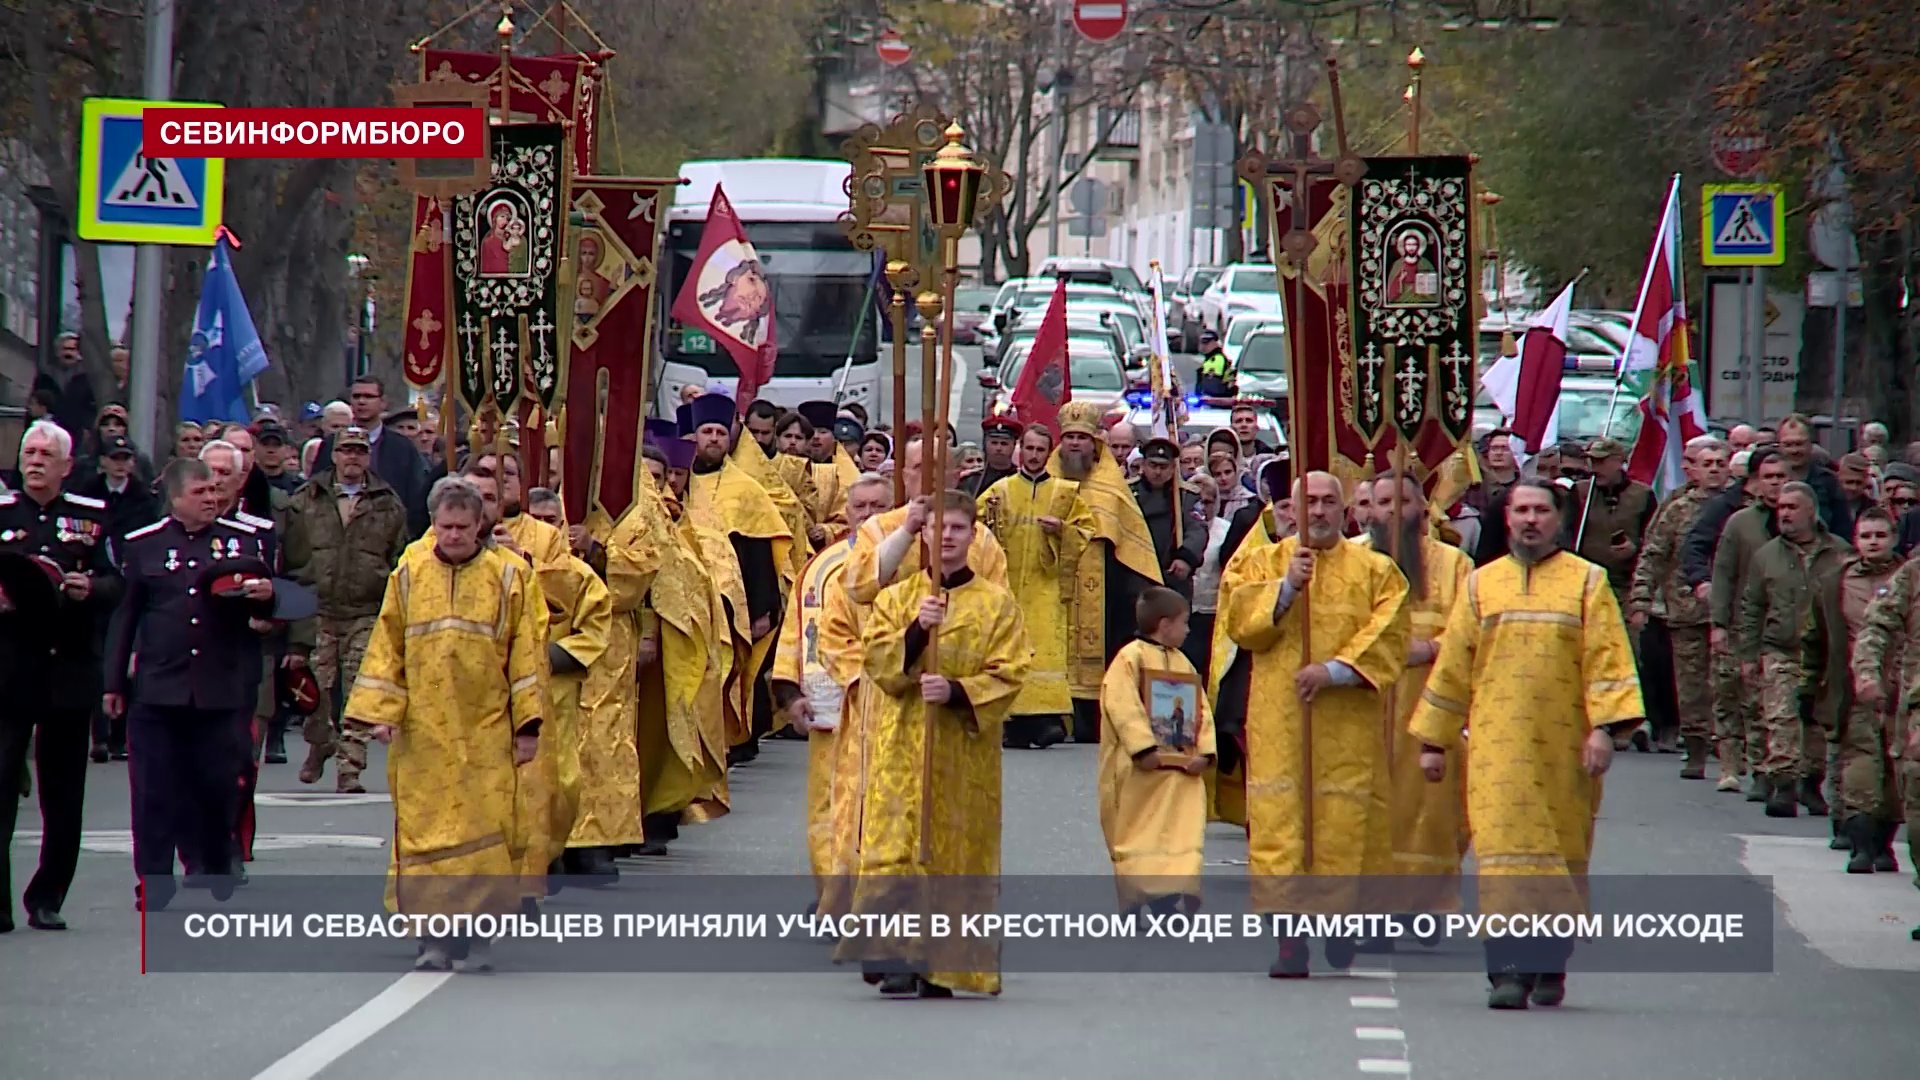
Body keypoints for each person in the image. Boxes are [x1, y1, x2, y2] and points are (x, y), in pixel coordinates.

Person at [1409, 478, 1643, 1009]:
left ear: (1558, 520)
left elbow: (1608, 658)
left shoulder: (1587, 582)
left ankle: (1551, 961)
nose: (1531, 519)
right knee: (1502, 860)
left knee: (1559, 855)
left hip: (1566, 750)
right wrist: (1434, 742)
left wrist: (1604, 730)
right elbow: (1454, 667)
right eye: (1521, 510)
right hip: (1496, 748)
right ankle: (1508, 971)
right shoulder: (1481, 585)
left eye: (1541, 510)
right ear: (1508, 519)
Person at [833, 489, 1031, 998]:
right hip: (902, 743)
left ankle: (942, 962)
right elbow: (878, 664)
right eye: (938, 527)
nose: (947, 537)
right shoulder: (899, 597)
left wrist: (959, 691)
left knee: (952, 852)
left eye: (958, 528)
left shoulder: (997, 604)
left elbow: (1011, 671)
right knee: (897, 848)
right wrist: (918, 632)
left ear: (973, 535)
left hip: (963, 755)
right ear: (923, 533)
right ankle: (897, 954)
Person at [343, 476, 546, 972]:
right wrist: (382, 713)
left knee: (486, 831)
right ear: (433, 524)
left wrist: (527, 727)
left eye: (462, 527)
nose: (453, 535)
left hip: (486, 727)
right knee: (424, 831)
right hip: (423, 730)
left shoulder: (510, 577)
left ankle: (477, 937)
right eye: (444, 526)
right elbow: (387, 645)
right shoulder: (408, 575)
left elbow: (527, 655)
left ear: (480, 526)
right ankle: (431, 937)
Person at [1220, 470, 1410, 976]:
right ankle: (1290, 941)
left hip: (1347, 721)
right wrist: (1285, 590)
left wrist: (1336, 670)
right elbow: (1238, 623)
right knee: (1282, 823)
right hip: (1280, 718)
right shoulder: (1262, 561)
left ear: (1344, 509)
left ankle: (1341, 922)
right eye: (1310, 502)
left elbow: (1390, 630)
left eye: (1329, 501)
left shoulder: (1376, 569)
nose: (1319, 511)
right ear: (1292, 509)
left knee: (1342, 822)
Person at [106, 458, 271, 912]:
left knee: (218, 786)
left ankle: (216, 861)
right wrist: (113, 682)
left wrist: (267, 599)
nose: (211, 499)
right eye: (200, 493)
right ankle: (154, 880)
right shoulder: (144, 545)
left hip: (218, 688)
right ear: (175, 497)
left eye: (214, 491)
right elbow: (126, 617)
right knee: (153, 792)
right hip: (160, 688)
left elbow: (273, 605)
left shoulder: (242, 542)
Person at [0, 422, 121, 931]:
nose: (35, 461)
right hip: (9, 667)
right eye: (29, 452)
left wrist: (90, 588)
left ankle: (48, 896)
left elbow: (118, 582)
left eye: (46, 454)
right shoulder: (4, 511)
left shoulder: (92, 517)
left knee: (63, 792)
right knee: (1, 780)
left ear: (66, 466)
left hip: (68, 667)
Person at [771, 472, 891, 902]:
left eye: (879, 506)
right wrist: (791, 694)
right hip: (833, 704)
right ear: (847, 511)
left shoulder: (911, 560)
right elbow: (796, 633)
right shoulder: (821, 567)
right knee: (829, 801)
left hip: (891, 702)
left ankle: (876, 892)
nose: (868, 515)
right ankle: (833, 894)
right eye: (861, 507)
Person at [1365, 470, 1473, 921]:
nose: (1393, 512)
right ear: (1369, 510)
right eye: (1383, 502)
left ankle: (1424, 906)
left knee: (1433, 811)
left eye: (1403, 502)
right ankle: (1370, 906)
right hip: (1364, 707)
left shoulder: (1454, 564)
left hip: (1428, 705)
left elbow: (1470, 632)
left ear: (1422, 509)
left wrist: (1427, 649)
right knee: (1368, 810)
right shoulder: (1351, 559)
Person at [287, 427, 409, 791]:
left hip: (366, 612)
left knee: (360, 692)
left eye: (359, 451)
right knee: (315, 692)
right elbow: (291, 556)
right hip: (318, 610)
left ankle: (350, 769)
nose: (352, 458)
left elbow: (399, 556)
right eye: (346, 451)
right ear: (334, 455)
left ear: (368, 457)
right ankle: (320, 743)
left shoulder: (388, 503)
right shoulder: (306, 499)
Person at [630, 441, 731, 855]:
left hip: (669, 653)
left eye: (659, 478)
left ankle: (659, 813)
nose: (654, 488)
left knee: (663, 733)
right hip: (619, 642)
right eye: (644, 479)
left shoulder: (684, 528)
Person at [682, 393, 795, 761]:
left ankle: (738, 739)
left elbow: (761, 552)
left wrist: (763, 610)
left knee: (735, 670)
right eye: (707, 432)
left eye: (720, 432)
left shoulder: (747, 488)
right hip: (690, 599)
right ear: (695, 437)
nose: (714, 438)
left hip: (737, 600)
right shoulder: (679, 483)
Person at [1099, 586, 1215, 917]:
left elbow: (1201, 710)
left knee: (1180, 832)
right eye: (1184, 622)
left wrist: (1204, 752)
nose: (1188, 630)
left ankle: (1172, 893)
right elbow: (1122, 706)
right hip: (1142, 771)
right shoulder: (1129, 659)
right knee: (1140, 832)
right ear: (1165, 625)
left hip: (1180, 769)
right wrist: (1144, 749)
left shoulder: (1183, 663)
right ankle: (1146, 898)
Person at [1739, 482, 1852, 818]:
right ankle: (1783, 784)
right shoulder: (1767, 556)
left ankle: (1811, 782)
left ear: (1811, 511)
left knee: (1817, 719)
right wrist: (1748, 656)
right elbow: (1752, 606)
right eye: (1781, 508)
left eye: (1792, 507)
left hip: (1823, 654)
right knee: (1781, 718)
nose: (1784, 514)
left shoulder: (1839, 552)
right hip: (1780, 649)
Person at [1053, 402, 1164, 744]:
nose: (1075, 444)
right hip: (1054, 584)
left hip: (1104, 588)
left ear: (1094, 443)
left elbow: (1130, 536)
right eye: (1069, 437)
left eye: (1082, 438)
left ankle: (1093, 717)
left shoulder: (1110, 484)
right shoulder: (1048, 479)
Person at [1803, 508, 1904, 869]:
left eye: (1880, 535)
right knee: (1860, 762)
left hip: (1902, 690)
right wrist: (1809, 685)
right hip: (1856, 688)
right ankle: (1860, 841)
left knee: (1897, 768)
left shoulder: (1909, 578)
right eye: (1865, 536)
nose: (1873, 542)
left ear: (1894, 538)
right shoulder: (1835, 582)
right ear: (1855, 540)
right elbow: (1815, 639)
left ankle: (1884, 843)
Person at [1629, 435, 1732, 781]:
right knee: (1690, 686)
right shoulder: (1678, 509)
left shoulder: (1741, 508)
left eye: (1720, 464)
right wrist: (1641, 599)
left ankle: (1731, 748)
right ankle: (1696, 746)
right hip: (1686, 610)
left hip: (1731, 613)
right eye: (1707, 464)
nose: (1714, 470)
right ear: (1694, 470)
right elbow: (1654, 554)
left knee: (1729, 683)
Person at [979, 424, 1083, 749]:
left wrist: (1062, 529)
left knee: (1044, 654)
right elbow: (976, 528)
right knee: (1009, 650)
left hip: (1046, 589)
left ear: (1048, 453)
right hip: (1008, 586)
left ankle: (1044, 719)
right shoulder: (1000, 490)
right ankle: (1015, 724)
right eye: (1029, 448)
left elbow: (1085, 531)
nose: (1034, 455)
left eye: (1040, 450)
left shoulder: (1065, 492)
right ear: (1020, 450)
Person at [1701, 451, 1790, 798]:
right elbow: (1723, 574)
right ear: (1756, 482)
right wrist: (1719, 623)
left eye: (1781, 476)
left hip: (1779, 626)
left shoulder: (1802, 522)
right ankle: (1729, 764)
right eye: (1769, 476)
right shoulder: (1740, 523)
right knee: (1728, 695)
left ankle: (1764, 769)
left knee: (1763, 703)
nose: (1775, 483)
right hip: (1740, 623)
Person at [327, 377, 430, 537]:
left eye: (368, 396)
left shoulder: (403, 448)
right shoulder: (331, 444)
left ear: (383, 402)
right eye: (356, 396)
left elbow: (416, 498)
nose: (361, 401)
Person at [1132, 438, 1204, 602]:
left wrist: (1186, 558)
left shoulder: (1186, 496)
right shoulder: (1128, 492)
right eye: (1153, 465)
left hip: (1172, 574)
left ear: (1173, 468)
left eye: (1163, 467)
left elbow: (1197, 530)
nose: (1158, 472)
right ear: (1143, 465)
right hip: (1135, 575)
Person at [797, 400, 859, 542]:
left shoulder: (847, 474)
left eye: (823, 432)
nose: (816, 436)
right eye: (811, 432)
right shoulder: (790, 466)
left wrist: (827, 530)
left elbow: (849, 519)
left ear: (833, 437)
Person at [963, 414, 1021, 499]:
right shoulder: (970, 480)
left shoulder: (1022, 479)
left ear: (1014, 445)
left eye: (1004, 444)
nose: (998, 448)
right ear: (986, 443)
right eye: (994, 443)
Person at [1195, 330, 1235, 397]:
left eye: (1207, 343)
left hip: (1214, 399)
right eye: (1202, 343)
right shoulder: (1211, 359)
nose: (1204, 346)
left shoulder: (1216, 359)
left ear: (1215, 343)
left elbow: (1212, 385)